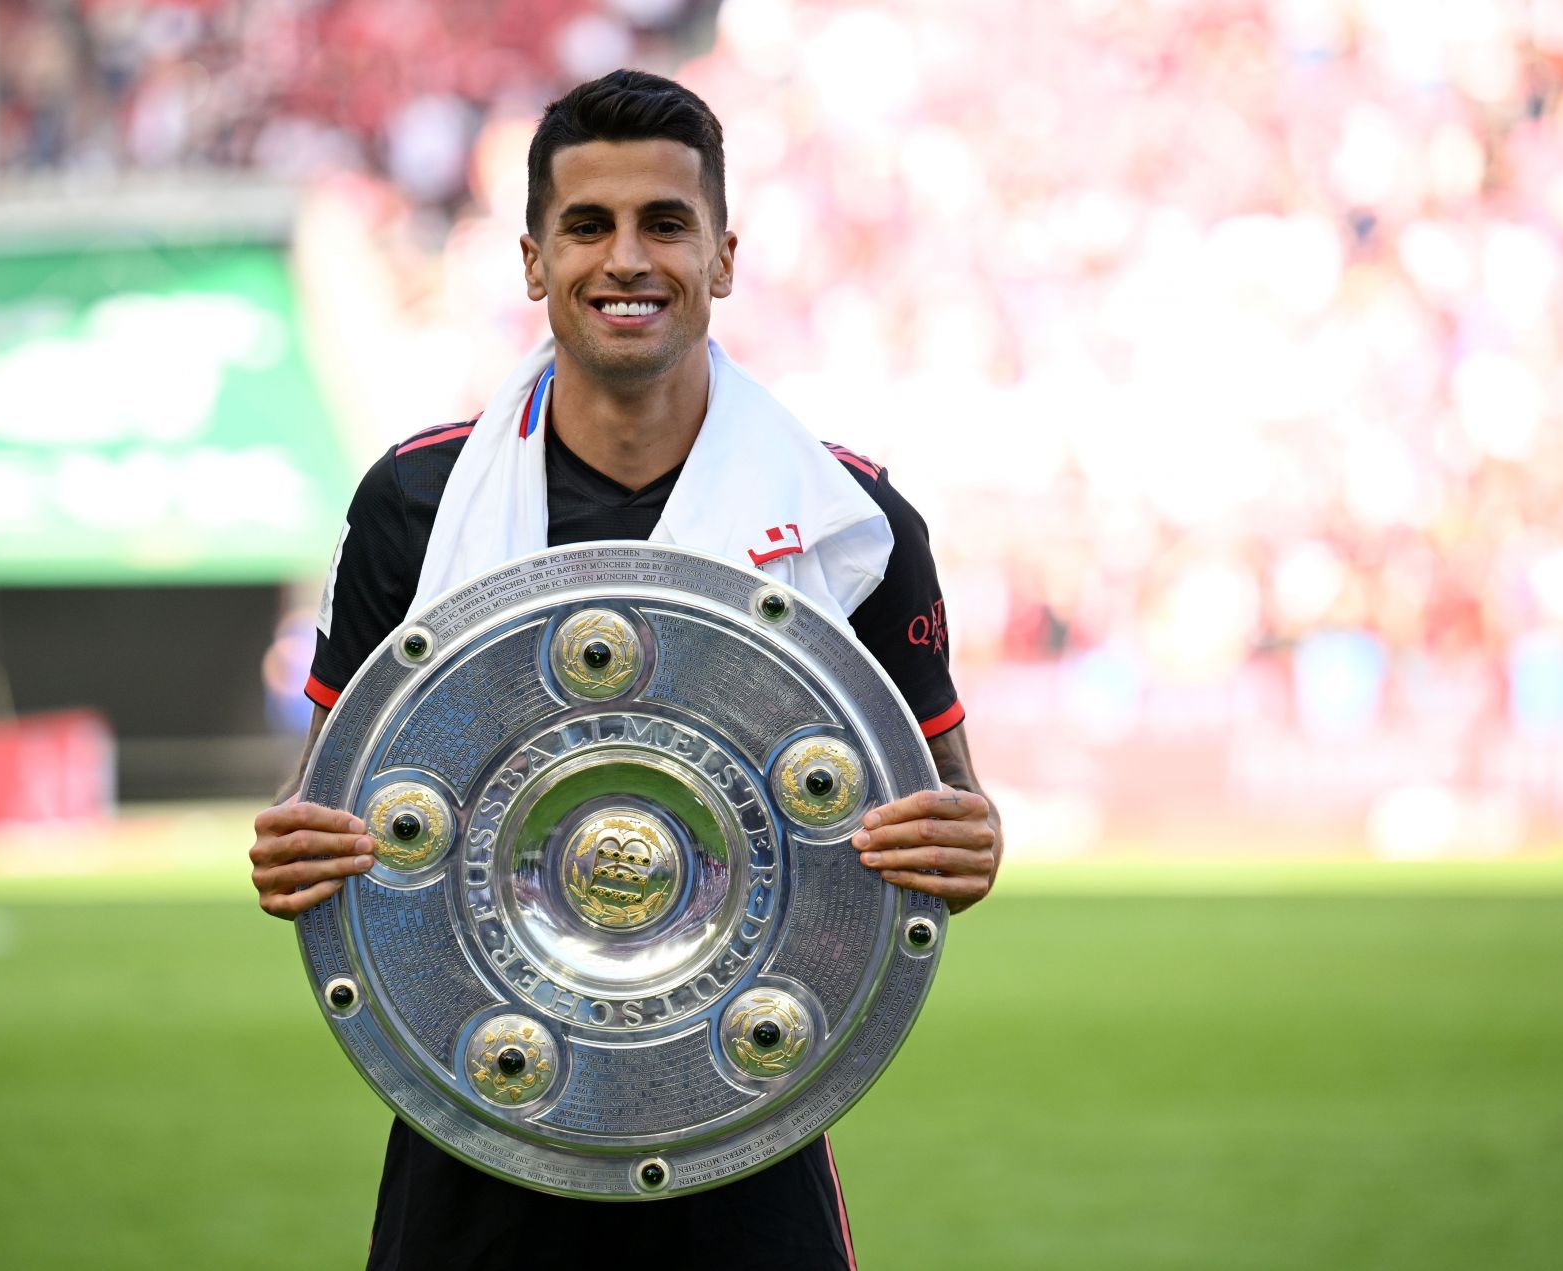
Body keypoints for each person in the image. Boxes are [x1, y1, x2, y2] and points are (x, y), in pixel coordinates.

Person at [249, 69, 1002, 1271]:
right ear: (534, 260)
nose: (626, 259)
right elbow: (325, 804)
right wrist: (298, 851)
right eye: (588, 226)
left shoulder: (853, 522)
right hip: (482, 1109)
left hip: (742, 1112)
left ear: (723, 257)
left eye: (665, 223)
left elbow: (947, 815)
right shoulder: (414, 503)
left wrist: (969, 847)